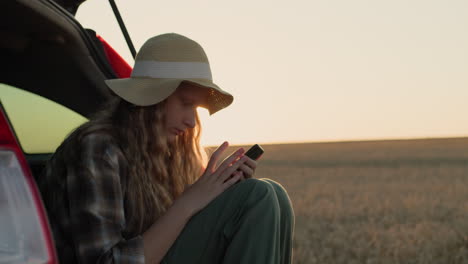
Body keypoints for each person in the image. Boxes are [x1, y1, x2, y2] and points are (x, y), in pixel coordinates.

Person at [38, 33, 295, 264]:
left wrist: (218, 194)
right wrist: (187, 203)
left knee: (274, 196)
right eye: (185, 103)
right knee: (256, 197)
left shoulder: (162, 151)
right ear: (153, 99)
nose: (192, 121)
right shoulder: (99, 150)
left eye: (196, 109)